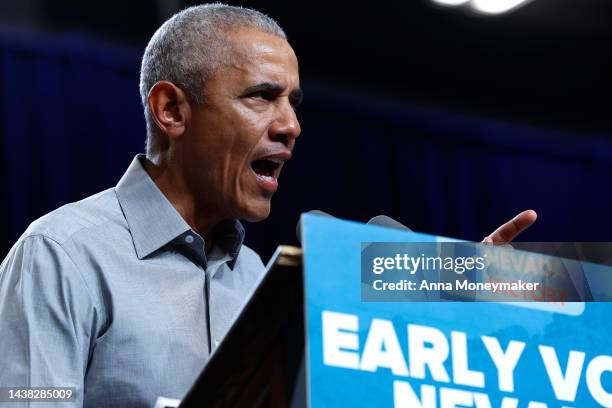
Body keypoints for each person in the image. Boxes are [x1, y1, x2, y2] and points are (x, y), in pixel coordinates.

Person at [0, 3, 535, 408]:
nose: (291, 125)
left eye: (293, 103)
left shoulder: (262, 280)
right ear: (171, 111)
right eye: (261, 96)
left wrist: (454, 307)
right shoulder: (61, 256)